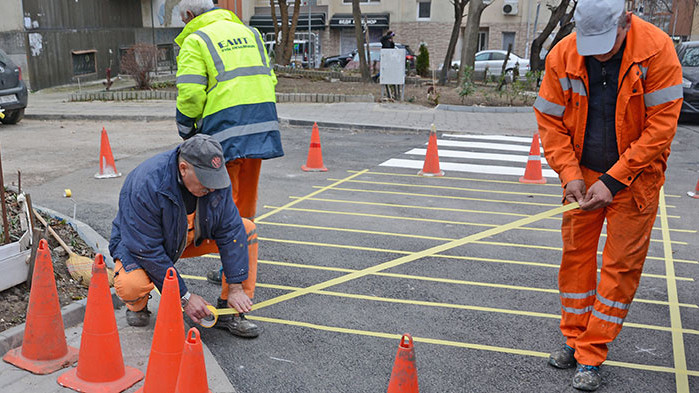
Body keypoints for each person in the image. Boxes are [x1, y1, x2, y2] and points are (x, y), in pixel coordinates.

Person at [534, 0, 683, 390]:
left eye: (606, 42)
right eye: (590, 43)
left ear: (626, 22)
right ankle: (574, 338)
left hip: (635, 181)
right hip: (583, 175)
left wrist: (614, 180)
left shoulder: (657, 49)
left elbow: (661, 127)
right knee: (576, 261)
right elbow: (549, 121)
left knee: (620, 269)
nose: (598, 52)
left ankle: (592, 353)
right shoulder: (563, 54)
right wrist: (569, 175)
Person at [174, 0, 283, 284]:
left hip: (224, 134)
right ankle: (237, 266)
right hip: (260, 128)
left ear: (189, 15)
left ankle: (232, 282)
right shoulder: (250, 33)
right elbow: (269, 79)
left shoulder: (196, 40)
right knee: (245, 205)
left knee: (225, 209)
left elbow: (190, 95)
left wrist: (186, 132)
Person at [110, 135, 260, 338]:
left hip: (188, 236)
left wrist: (235, 286)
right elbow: (147, 249)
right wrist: (185, 297)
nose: (213, 188)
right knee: (131, 284)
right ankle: (137, 306)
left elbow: (230, 230)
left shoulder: (215, 178)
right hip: (144, 244)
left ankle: (231, 311)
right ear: (183, 168)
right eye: (206, 181)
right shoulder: (145, 183)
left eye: (215, 180)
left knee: (246, 229)